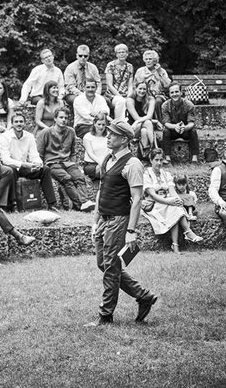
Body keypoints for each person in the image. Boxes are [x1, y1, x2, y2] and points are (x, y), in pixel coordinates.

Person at [85, 120, 157, 326]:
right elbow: (101, 192)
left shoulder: (132, 164)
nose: (108, 136)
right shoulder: (108, 158)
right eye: (108, 133)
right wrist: (95, 221)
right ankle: (143, 296)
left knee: (110, 268)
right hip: (104, 220)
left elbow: (137, 200)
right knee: (105, 264)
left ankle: (105, 316)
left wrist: (131, 231)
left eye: (113, 134)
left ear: (124, 139)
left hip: (118, 220)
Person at [142, 149, 203, 253]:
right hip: (153, 204)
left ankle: (176, 245)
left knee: (175, 206)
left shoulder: (165, 174)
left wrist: (177, 200)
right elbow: (152, 194)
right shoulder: (146, 175)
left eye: (161, 160)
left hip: (166, 202)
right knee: (173, 208)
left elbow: (171, 190)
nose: (159, 163)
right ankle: (187, 232)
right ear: (151, 160)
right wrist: (169, 202)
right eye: (156, 160)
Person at [36, 108, 95, 212]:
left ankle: (85, 202)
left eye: (66, 118)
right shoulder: (46, 132)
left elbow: (73, 152)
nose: (63, 120)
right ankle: (81, 204)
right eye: (61, 117)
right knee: (67, 179)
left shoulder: (71, 131)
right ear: (55, 118)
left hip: (68, 163)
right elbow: (39, 153)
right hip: (52, 163)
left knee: (80, 177)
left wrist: (74, 164)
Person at [0, 113, 58, 210]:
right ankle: (14, 205)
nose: (19, 124)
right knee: (10, 171)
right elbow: (5, 159)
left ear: (25, 123)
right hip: (11, 166)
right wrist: (26, 165)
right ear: (12, 124)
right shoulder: (5, 137)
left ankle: (51, 203)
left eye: (21, 121)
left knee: (45, 169)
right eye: (16, 122)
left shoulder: (29, 136)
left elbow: (34, 155)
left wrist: (37, 163)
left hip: (25, 167)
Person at [161, 82, 199, 164]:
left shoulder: (189, 105)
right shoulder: (165, 106)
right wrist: (175, 126)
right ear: (169, 94)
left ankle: (194, 158)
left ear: (181, 92)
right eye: (172, 92)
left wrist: (184, 128)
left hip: (185, 130)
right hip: (173, 130)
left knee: (193, 131)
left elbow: (191, 123)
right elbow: (166, 123)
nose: (174, 94)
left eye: (176, 92)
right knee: (165, 131)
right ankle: (167, 158)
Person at [134, 50, 171, 122]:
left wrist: (159, 73)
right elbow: (136, 85)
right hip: (144, 95)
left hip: (159, 95)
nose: (148, 61)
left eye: (150, 59)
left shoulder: (161, 71)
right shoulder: (140, 71)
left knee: (158, 101)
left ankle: (161, 123)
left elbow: (167, 86)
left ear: (155, 60)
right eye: (146, 59)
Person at [126, 81, 157, 160]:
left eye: (144, 89)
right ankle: (154, 147)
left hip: (144, 126)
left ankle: (143, 154)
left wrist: (138, 121)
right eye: (140, 88)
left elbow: (149, 115)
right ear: (135, 89)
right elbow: (137, 118)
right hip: (133, 129)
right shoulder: (130, 100)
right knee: (148, 122)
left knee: (144, 131)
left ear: (147, 90)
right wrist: (137, 122)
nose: (142, 91)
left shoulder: (151, 99)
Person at [104, 43, 133, 120]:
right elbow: (109, 85)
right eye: (119, 52)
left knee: (132, 101)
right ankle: (119, 124)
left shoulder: (130, 66)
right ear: (116, 54)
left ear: (127, 54)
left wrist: (129, 96)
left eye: (123, 52)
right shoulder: (110, 65)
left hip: (126, 94)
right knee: (121, 101)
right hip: (112, 95)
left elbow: (130, 85)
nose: (121, 54)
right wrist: (120, 96)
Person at [82, 117, 109, 187]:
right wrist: (101, 163)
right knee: (103, 169)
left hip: (106, 163)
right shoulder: (88, 136)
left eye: (103, 125)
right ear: (94, 124)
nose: (101, 127)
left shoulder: (108, 136)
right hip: (91, 164)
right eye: (99, 124)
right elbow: (90, 153)